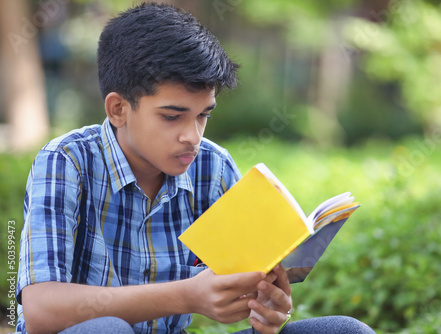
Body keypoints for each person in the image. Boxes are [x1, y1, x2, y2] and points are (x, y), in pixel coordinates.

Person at [15, 3, 376, 334]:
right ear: (118, 109)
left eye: (203, 115)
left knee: (345, 331)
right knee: (105, 330)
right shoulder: (67, 161)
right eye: (172, 116)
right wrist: (186, 295)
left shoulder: (212, 167)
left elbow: (244, 285)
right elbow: (41, 310)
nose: (192, 136)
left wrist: (268, 308)